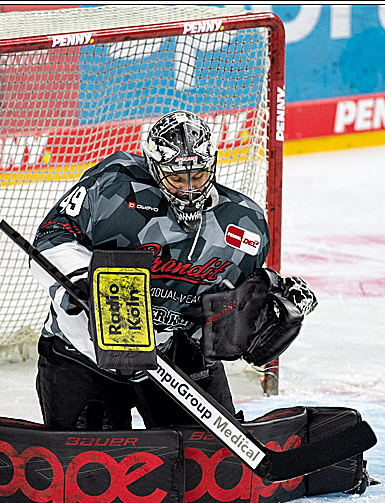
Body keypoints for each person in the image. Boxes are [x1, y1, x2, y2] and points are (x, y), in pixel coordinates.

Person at [31, 109, 316, 431]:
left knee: (210, 467)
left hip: (175, 357)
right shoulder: (114, 184)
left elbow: (222, 312)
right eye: (178, 178)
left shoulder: (243, 222)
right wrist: (81, 281)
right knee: (87, 470)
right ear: (155, 168)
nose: (190, 187)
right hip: (82, 353)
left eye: (199, 175)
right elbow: (53, 237)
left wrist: (261, 309)